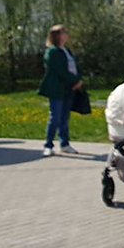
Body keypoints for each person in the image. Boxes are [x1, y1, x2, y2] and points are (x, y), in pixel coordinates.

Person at [38, 25, 83, 156]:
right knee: (55, 117)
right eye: (63, 33)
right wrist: (74, 80)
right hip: (57, 89)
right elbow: (59, 71)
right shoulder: (52, 52)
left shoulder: (67, 51)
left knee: (64, 118)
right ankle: (48, 145)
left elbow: (74, 67)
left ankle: (64, 143)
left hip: (69, 89)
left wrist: (79, 79)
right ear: (56, 36)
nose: (66, 35)